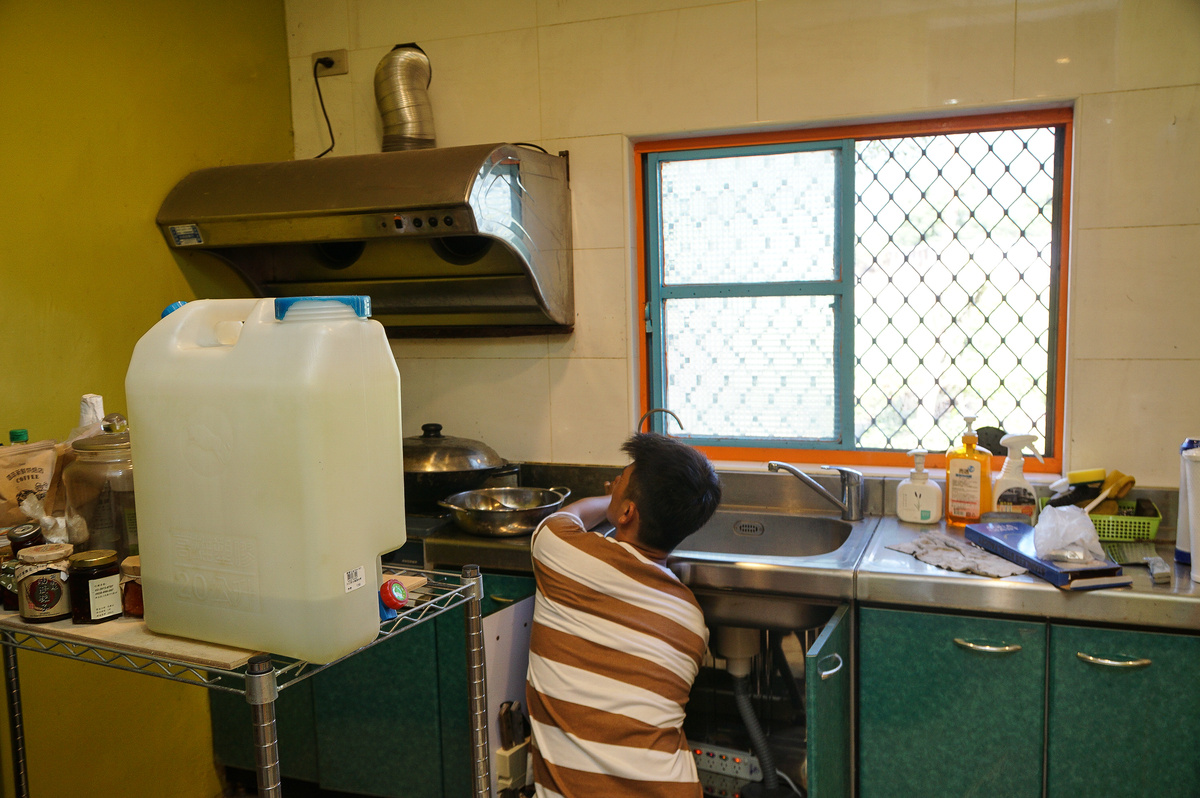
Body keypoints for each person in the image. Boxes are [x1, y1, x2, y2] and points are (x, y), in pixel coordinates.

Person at [525, 432, 722, 797]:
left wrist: (608, 503)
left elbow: (569, 515)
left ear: (629, 513)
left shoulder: (561, 552)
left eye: (621, 481)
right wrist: (622, 500)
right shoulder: (692, 620)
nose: (615, 484)